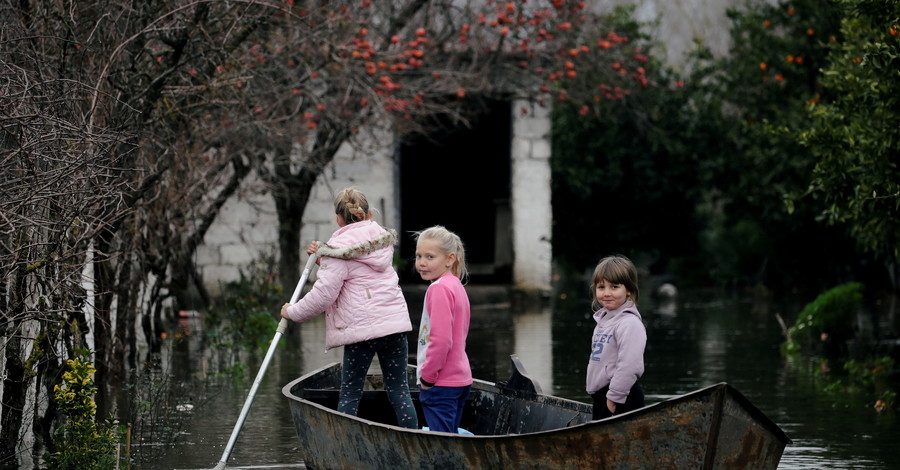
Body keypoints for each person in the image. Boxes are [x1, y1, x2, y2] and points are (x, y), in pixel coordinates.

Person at [280, 187, 418, 429]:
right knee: (400, 392)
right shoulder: (381, 241)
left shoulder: (337, 249)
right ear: (367, 214)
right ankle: (415, 443)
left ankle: (348, 442)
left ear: (338, 218)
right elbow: (359, 269)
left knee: (350, 394)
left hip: (361, 333)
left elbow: (323, 296)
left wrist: (292, 312)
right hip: (394, 329)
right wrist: (324, 260)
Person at [413, 225, 472, 433]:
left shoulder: (438, 289)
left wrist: (428, 378)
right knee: (450, 437)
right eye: (418, 256)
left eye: (430, 257)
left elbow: (441, 340)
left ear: (449, 259)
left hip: (441, 383)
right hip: (461, 379)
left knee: (442, 444)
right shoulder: (456, 285)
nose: (421, 262)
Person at [585, 255, 647, 420]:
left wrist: (614, 397)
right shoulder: (603, 321)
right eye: (601, 287)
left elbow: (630, 365)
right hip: (603, 396)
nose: (606, 293)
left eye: (614, 287)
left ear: (629, 290)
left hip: (621, 397)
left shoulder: (629, 323)